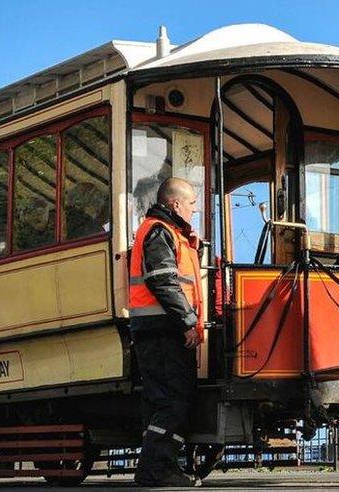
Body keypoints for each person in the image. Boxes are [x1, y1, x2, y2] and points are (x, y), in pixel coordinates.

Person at [128, 177, 204, 488]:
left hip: (158, 330)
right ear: (175, 204)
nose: (194, 210)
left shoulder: (167, 231)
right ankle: (156, 470)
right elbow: (163, 280)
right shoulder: (159, 231)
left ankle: (159, 467)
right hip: (162, 331)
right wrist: (187, 321)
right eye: (191, 204)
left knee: (167, 401)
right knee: (171, 401)